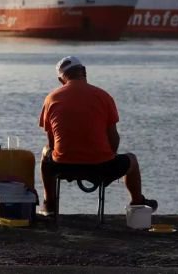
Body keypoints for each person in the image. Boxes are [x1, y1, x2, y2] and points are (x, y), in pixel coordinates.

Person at [38, 55, 157, 215]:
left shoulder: (51, 98)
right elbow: (114, 138)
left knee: (45, 152)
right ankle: (137, 203)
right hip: (101, 167)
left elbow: (52, 143)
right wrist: (108, 157)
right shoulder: (103, 96)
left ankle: (49, 203)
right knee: (132, 161)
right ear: (84, 72)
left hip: (63, 166)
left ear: (61, 80)